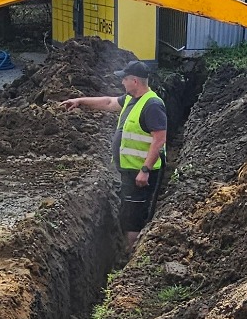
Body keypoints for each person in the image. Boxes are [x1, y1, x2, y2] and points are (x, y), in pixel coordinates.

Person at [57, 59, 167, 244]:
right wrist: (80, 101)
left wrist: (145, 170)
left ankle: (132, 257)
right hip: (130, 171)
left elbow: (159, 139)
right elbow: (108, 102)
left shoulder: (152, 105)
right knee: (128, 215)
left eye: (124, 79)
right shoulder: (132, 99)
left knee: (134, 219)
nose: (121, 82)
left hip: (140, 175)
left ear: (134, 81)